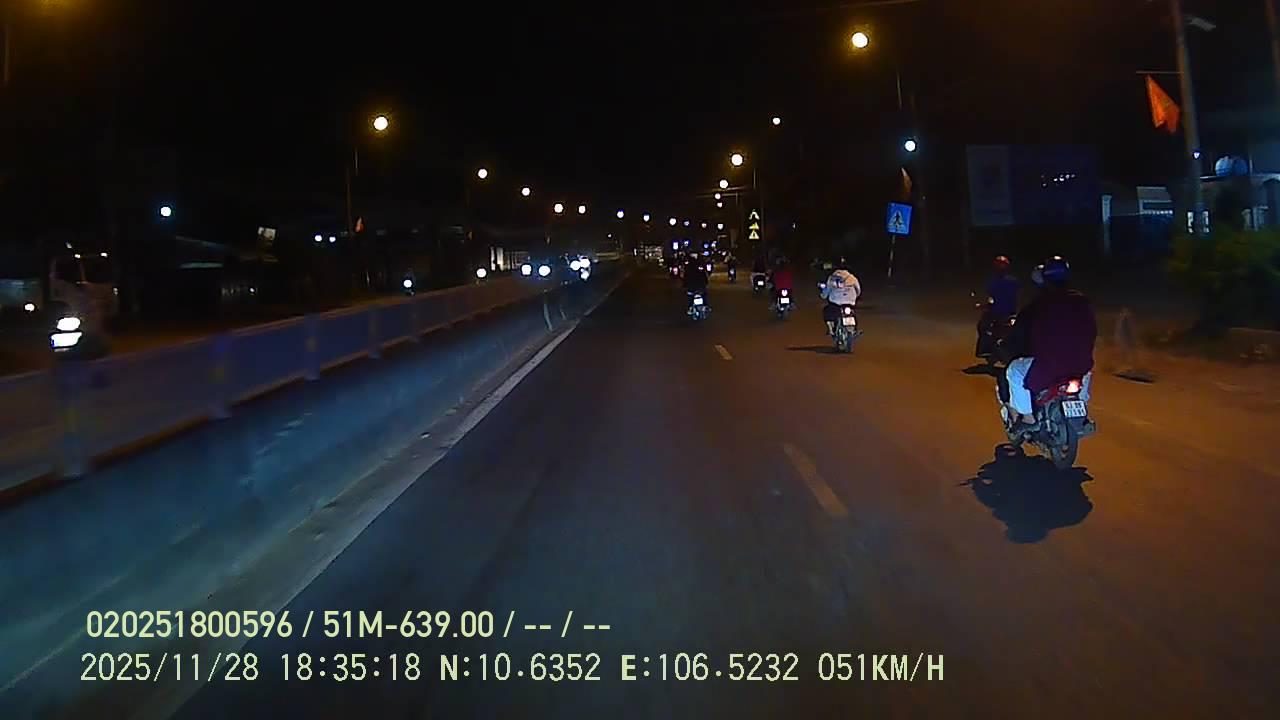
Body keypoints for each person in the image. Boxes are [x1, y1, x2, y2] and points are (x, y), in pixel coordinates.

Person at [1004, 256, 1097, 428]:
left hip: (1049, 366)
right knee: (1086, 374)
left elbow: (1020, 333)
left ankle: (1028, 419)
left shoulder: (1040, 305)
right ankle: (1081, 410)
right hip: (1081, 364)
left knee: (1014, 371)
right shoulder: (1082, 301)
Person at [976, 256, 1020, 357]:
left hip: (997, 313)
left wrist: (983, 306)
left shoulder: (992, 281)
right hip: (1011, 312)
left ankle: (984, 349)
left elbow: (991, 298)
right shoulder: (1013, 281)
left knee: (982, 326)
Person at [820, 258, 861, 335]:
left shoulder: (832, 278)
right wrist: (854, 297)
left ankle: (831, 330)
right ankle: (853, 330)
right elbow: (858, 290)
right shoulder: (852, 278)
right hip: (850, 303)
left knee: (826, 311)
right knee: (852, 313)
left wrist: (823, 295)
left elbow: (825, 293)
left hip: (836, 303)